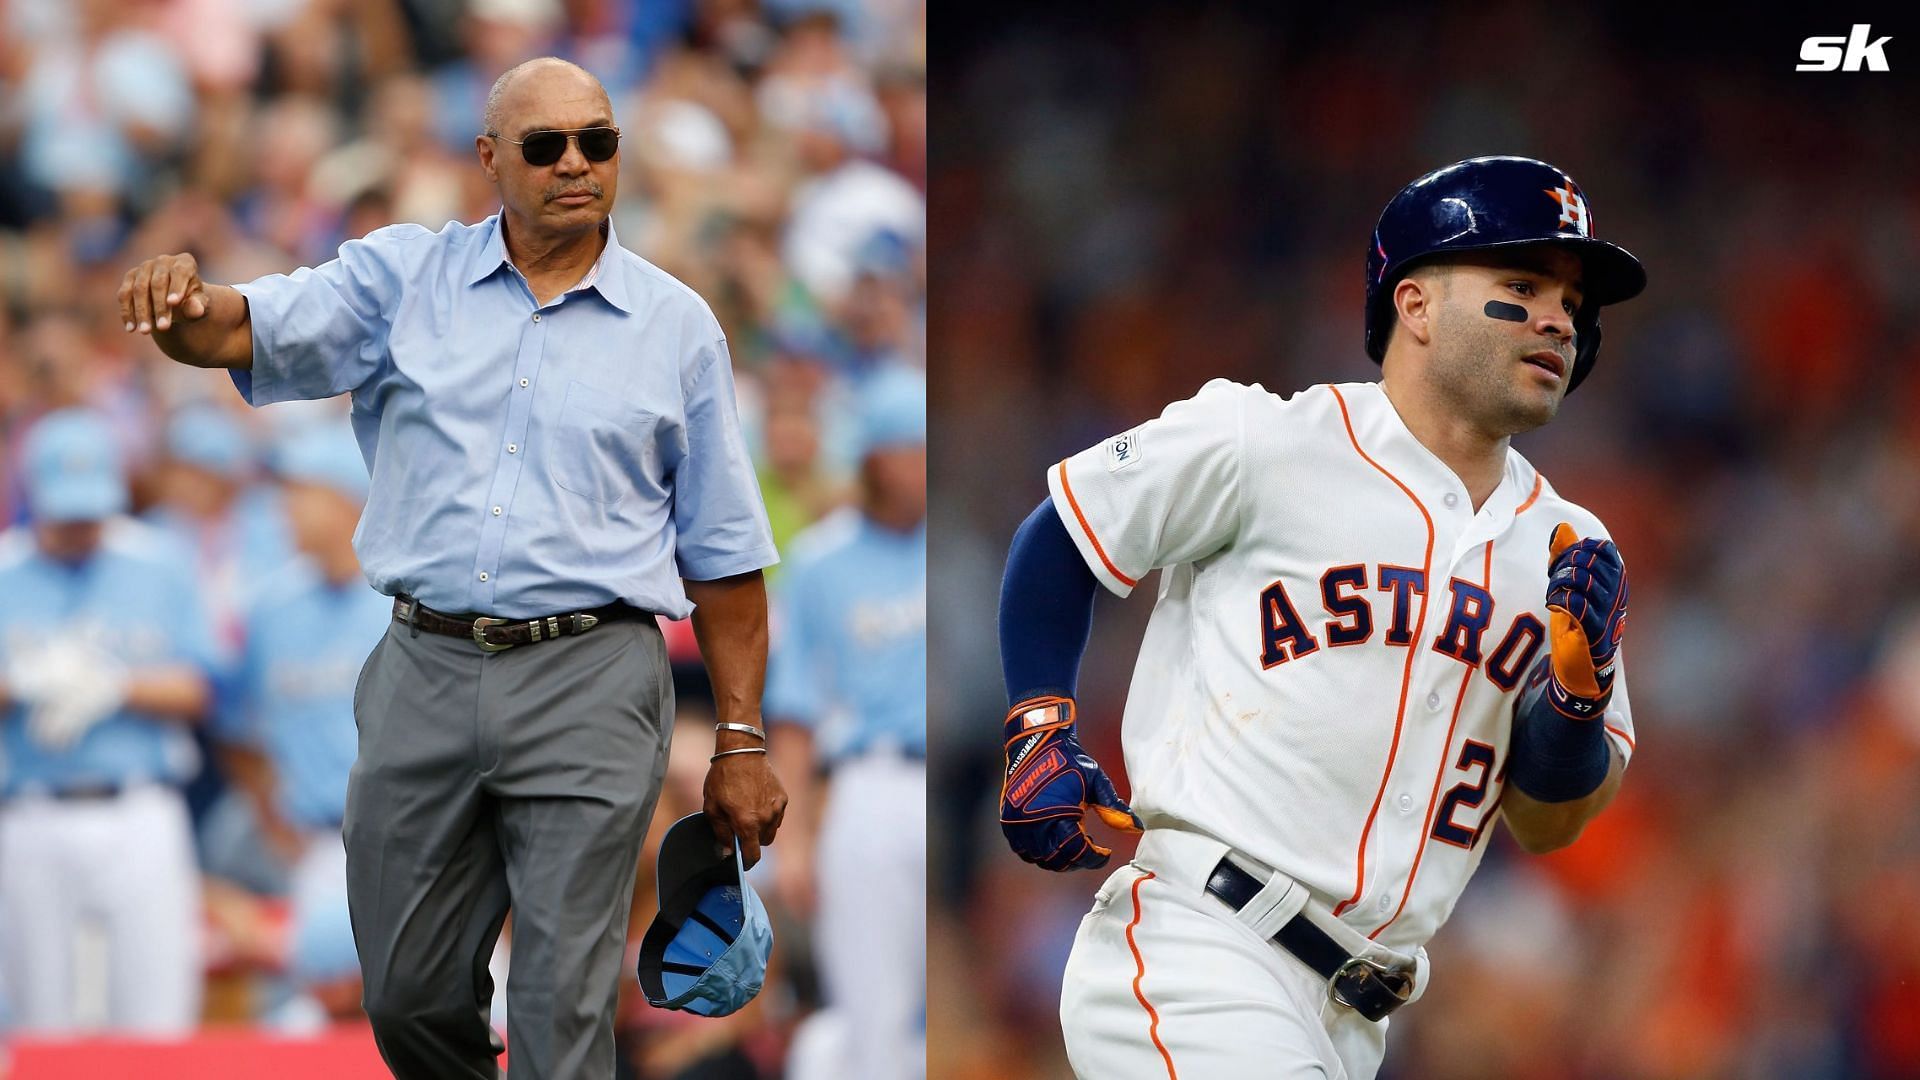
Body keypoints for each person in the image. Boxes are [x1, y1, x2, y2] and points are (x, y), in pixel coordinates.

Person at [115, 56, 787, 1079]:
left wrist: (739, 740)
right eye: (545, 145)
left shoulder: (678, 328)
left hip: (592, 670)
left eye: (597, 142)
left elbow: (727, 559)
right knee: (406, 995)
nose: (576, 164)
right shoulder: (400, 279)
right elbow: (243, 326)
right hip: (423, 662)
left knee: (559, 995)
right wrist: (180, 304)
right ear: (488, 158)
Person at [994, 157, 1644, 1079]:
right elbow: (1064, 529)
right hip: (1202, 949)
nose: (1559, 318)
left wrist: (1575, 703)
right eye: (1522, 284)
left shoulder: (1571, 546)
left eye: (1574, 302)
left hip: (1356, 1018)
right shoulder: (1270, 440)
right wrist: (1037, 723)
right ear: (1414, 305)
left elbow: (1550, 823)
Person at [0, 408, 218, 1034]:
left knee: (156, 1017)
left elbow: (200, 688)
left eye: (89, 509)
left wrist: (117, 686)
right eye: (64, 510)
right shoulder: (7, 569)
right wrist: (24, 681)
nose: (79, 524)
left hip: (140, 806)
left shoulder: (158, 561)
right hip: (33, 809)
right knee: (43, 1023)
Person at [766, 366, 926, 1080]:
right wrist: (793, 838)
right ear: (874, 457)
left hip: (955, 779)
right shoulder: (821, 559)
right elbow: (795, 708)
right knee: (871, 1009)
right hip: (868, 780)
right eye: (911, 449)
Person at [214, 424, 394, 1020]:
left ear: (347, 496)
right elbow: (237, 730)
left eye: (301, 492)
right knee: (308, 1021)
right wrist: (277, 828)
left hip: (419, 841)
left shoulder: (405, 597)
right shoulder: (271, 606)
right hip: (319, 845)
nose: (284, 508)